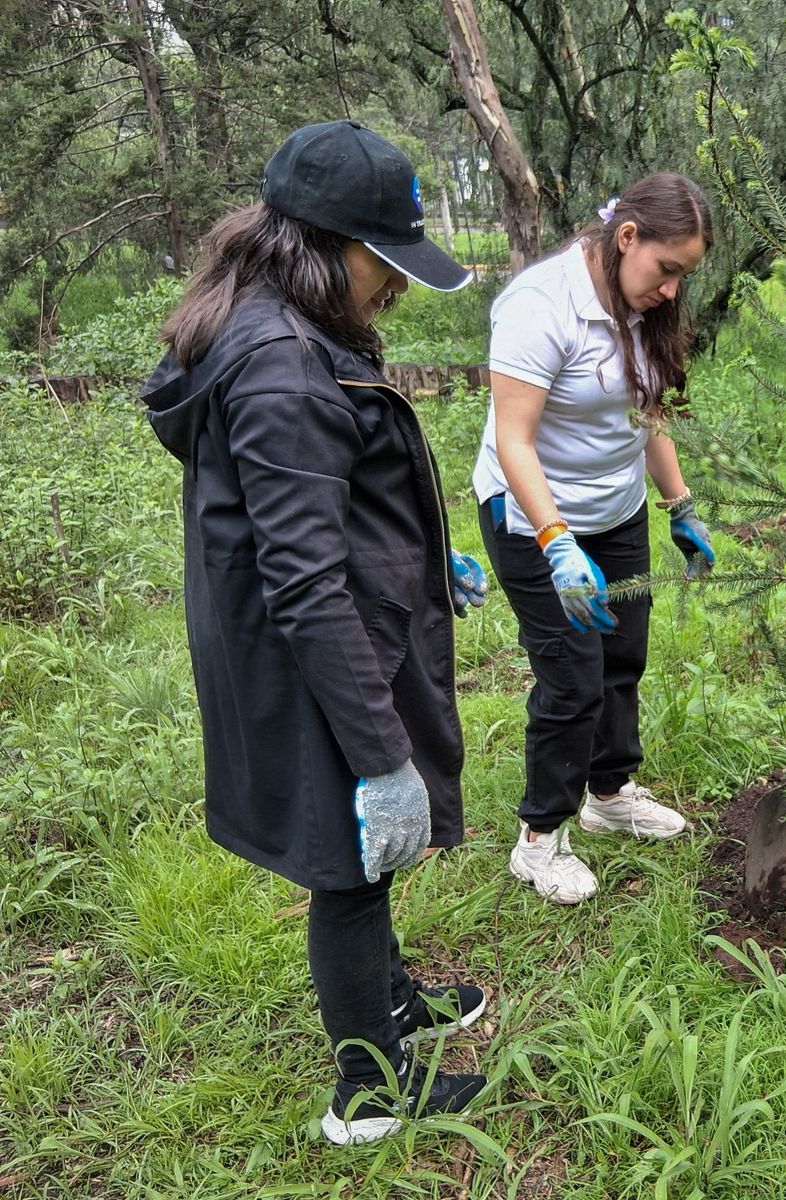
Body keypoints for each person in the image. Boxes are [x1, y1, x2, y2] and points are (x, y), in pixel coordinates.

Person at [141, 120, 490, 1144]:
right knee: (351, 861)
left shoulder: (267, 323)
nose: (394, 285)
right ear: (326, 246)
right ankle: (370, 1092)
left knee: (369, 863)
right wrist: (382, 759)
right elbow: (303, 577)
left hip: (313, 639)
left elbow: (293, 506)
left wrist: (422, 561)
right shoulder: (283, 365)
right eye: (385, 262)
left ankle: (392, 998)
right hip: (313, 658)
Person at [472, 173, 716, 904]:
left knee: (621, 657)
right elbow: (513, 440)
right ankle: (540, 839)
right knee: (571, 678)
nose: (672, 290)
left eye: (685, 276)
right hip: (534, 516)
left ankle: (608, 793)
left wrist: (679, 507)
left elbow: (648, 416)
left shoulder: (641, 306)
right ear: (627, 237)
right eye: (667, 269)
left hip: (616, 513)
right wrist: (553, 539)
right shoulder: (539, 306)